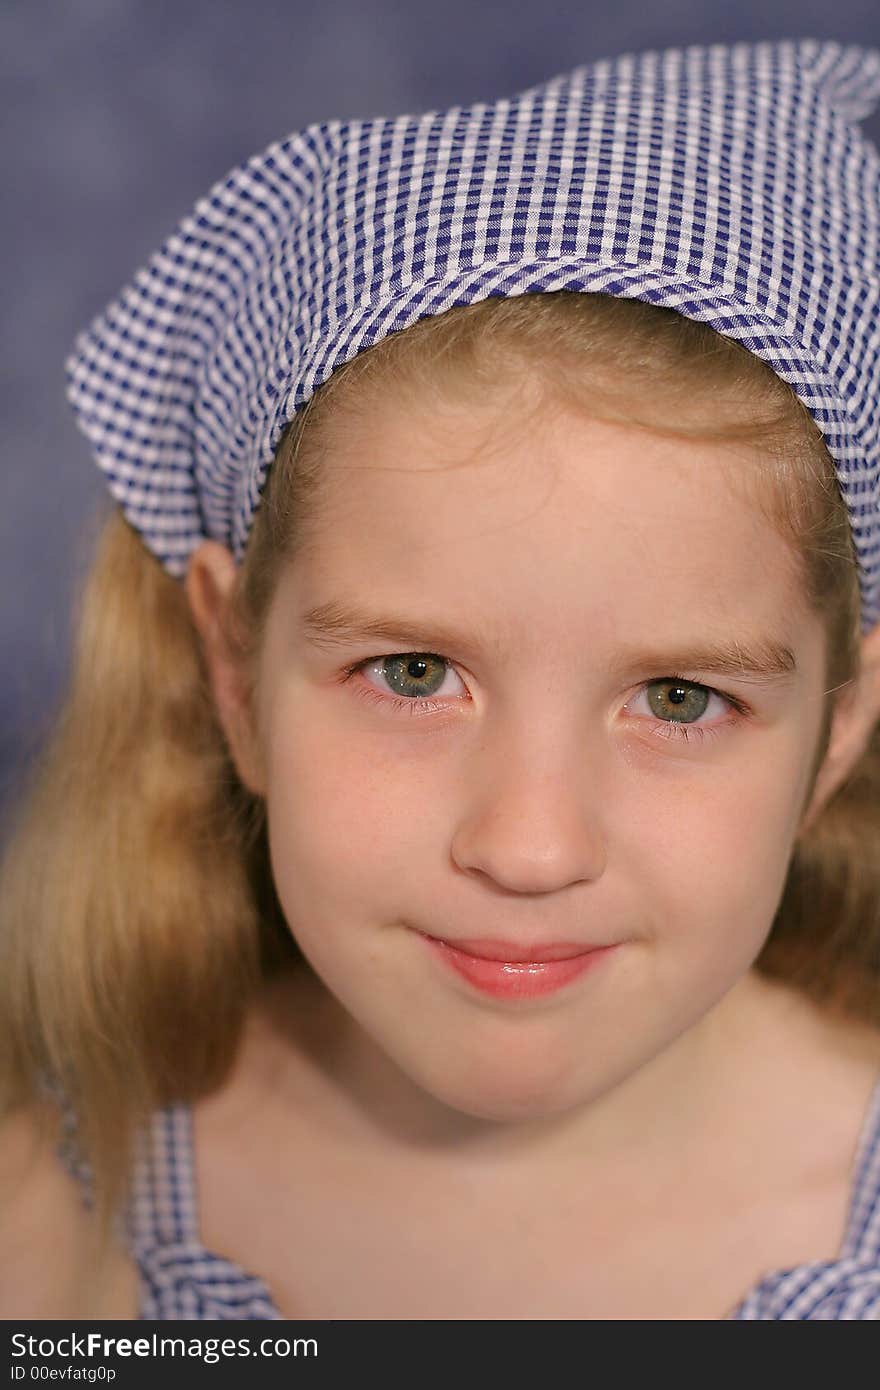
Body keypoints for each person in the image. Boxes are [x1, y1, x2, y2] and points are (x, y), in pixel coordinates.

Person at [2, 37, 880, 1322]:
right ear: (234, 673)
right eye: (412, 672)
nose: (529, 848)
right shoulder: (53, 1242)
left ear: (837, 729)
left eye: (680, 700)